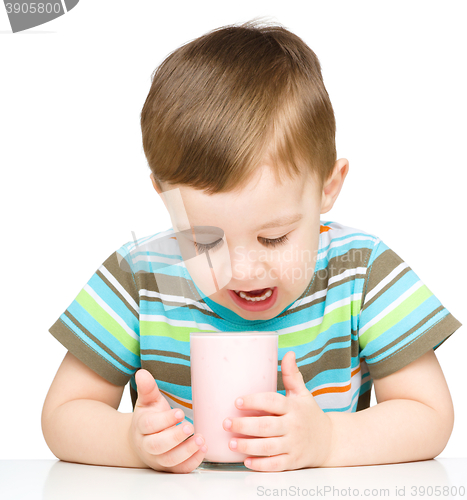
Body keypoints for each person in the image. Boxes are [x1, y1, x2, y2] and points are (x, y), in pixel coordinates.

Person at [41, 19, 462, 473]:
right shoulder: (140, 275)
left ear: (328, 187)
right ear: (165, 199)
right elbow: (63, 415)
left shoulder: (361, 272)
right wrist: (130, 441)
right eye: (204, 240)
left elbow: (430, 415)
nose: (242, 270)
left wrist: (328, 441)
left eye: (273, 237)